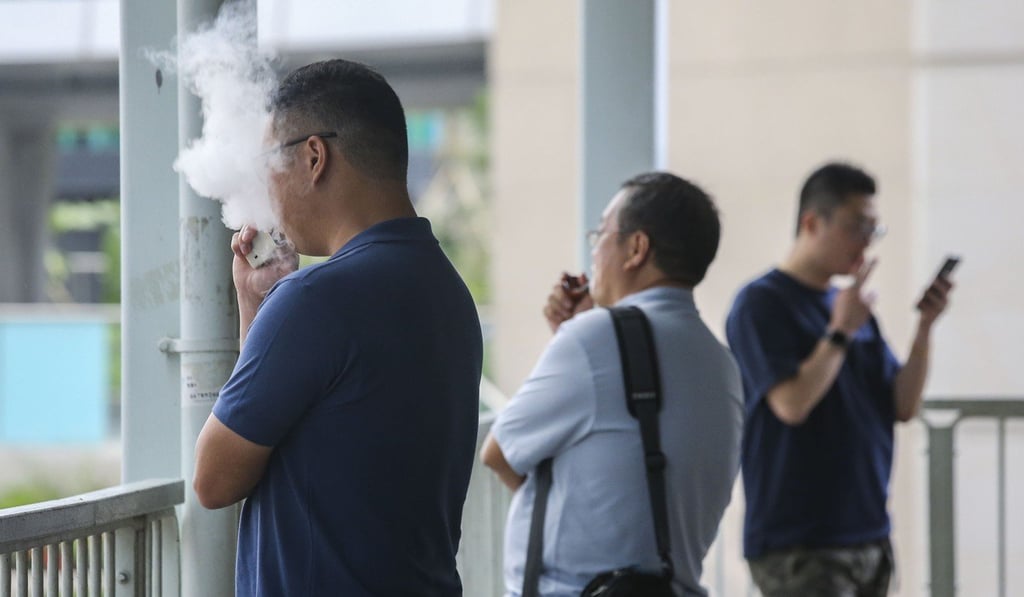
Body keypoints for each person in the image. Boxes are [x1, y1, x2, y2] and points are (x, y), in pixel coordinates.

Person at [192, 59, 483, 596]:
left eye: (267, 163)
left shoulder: (313, 303)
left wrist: (273, 305)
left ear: (313, 157)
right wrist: (258, 302)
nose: (264, 188)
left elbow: (214, 479)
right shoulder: (447, 292)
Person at [481, 172, 744, 597]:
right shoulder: (721, 363)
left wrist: (581, 334)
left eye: (601, 233)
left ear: (636, 249)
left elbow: (500, 455)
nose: (594, 250)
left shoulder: (593, 340)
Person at [725, 162, 953, 596]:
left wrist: (925, 327)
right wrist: (841, 331)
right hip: (801, 542)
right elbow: (791, 404)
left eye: (874, 230)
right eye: (857, 227)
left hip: (868, 534)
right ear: (812, 223)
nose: (866, 242)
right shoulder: (762, 303)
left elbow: (902, 405)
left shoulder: (848, 306)